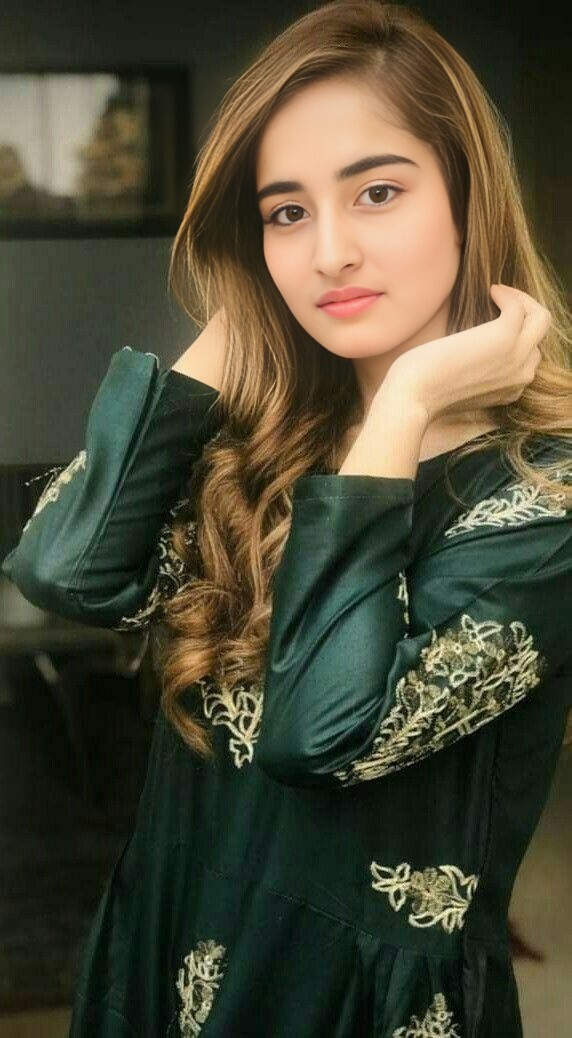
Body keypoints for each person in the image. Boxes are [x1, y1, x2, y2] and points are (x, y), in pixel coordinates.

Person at [2, 1, 571, 1034]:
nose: (330, 251)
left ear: (467, 200)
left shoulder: (544, 495)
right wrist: (243, 315)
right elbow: (67, 570)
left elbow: (321, 735)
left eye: (378, 192)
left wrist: (404, 403)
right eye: (285, 213)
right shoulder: (259, 444)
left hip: (354, 1003)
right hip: (165, 943)